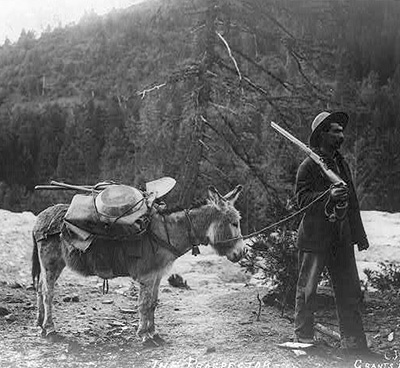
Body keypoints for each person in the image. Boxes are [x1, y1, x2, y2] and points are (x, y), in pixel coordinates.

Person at [294, 111, 370, 352]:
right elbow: (301, 201)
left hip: (341, 239)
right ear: (323, 135)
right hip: (315, 240)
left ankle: (355, 346)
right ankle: (303, 341)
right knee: (307, 291)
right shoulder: (308, 166)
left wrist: (359, 236)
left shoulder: (341, 163)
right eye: (336, 131)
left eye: (341, 131)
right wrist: (328, 195)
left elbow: (353, 202)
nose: (342, 136)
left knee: (350, 293)